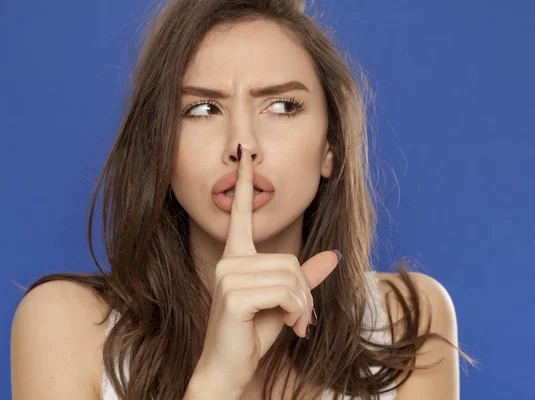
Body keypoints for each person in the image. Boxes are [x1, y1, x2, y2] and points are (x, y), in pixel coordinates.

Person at [11, 0, 474, 399]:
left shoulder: (407, 321)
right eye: (203, 108)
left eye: (281, 106)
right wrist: (216, 382)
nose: (242, 144)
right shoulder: (64, 327)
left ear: (330, 149)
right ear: (161, 151)